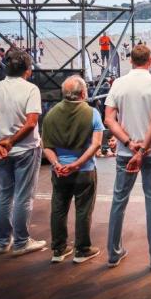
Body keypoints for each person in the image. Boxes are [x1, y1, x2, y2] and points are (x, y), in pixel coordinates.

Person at [104, 45, 151, 270]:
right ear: (150, 60)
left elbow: (109, 119)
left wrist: (128, 143)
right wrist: (143, 150)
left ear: (130, 61)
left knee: (119, 201)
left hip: (126, 152)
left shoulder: (118, 84)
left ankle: (114, 253)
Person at [0, 49, 46, 256]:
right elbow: (31, 122)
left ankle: (2, 241)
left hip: (1, 151)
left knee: (4, 195)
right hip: (25, 149)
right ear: (27, 70)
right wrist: (10, 142)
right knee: (23, 197)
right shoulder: (31, 89)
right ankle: (21, 242)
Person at [42, 76, 103, 264]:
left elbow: (46, 145)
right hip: (85, 170)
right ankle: (82, 249)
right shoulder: (92, 113)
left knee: (58, 208)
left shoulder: (51, 114)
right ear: (83, 93)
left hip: (60, 172)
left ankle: (59, 249)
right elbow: (96, 144)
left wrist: (57, 164)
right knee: (83, 210)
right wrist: (77, 164)